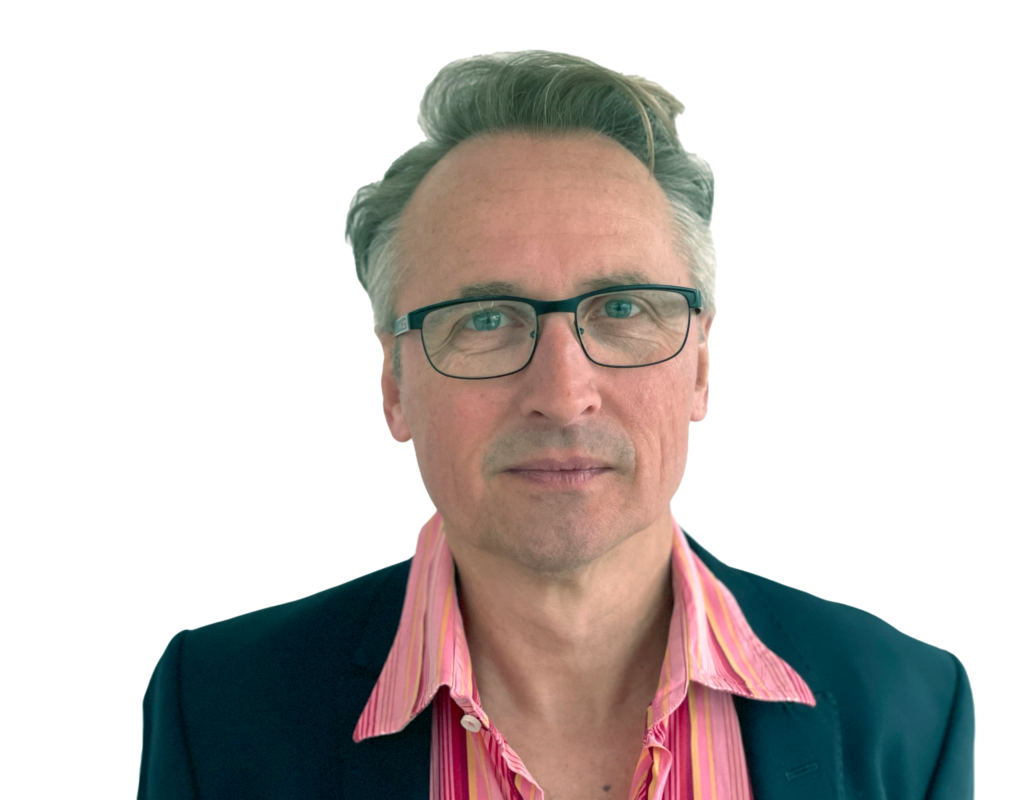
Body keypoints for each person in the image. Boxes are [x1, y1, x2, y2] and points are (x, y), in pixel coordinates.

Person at [137, 49, 975, 799]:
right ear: (393, 383)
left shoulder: (907, 706)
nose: (564, 394)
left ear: (700, 364)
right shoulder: (217, 709)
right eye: (486, 319)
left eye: (622, 308)